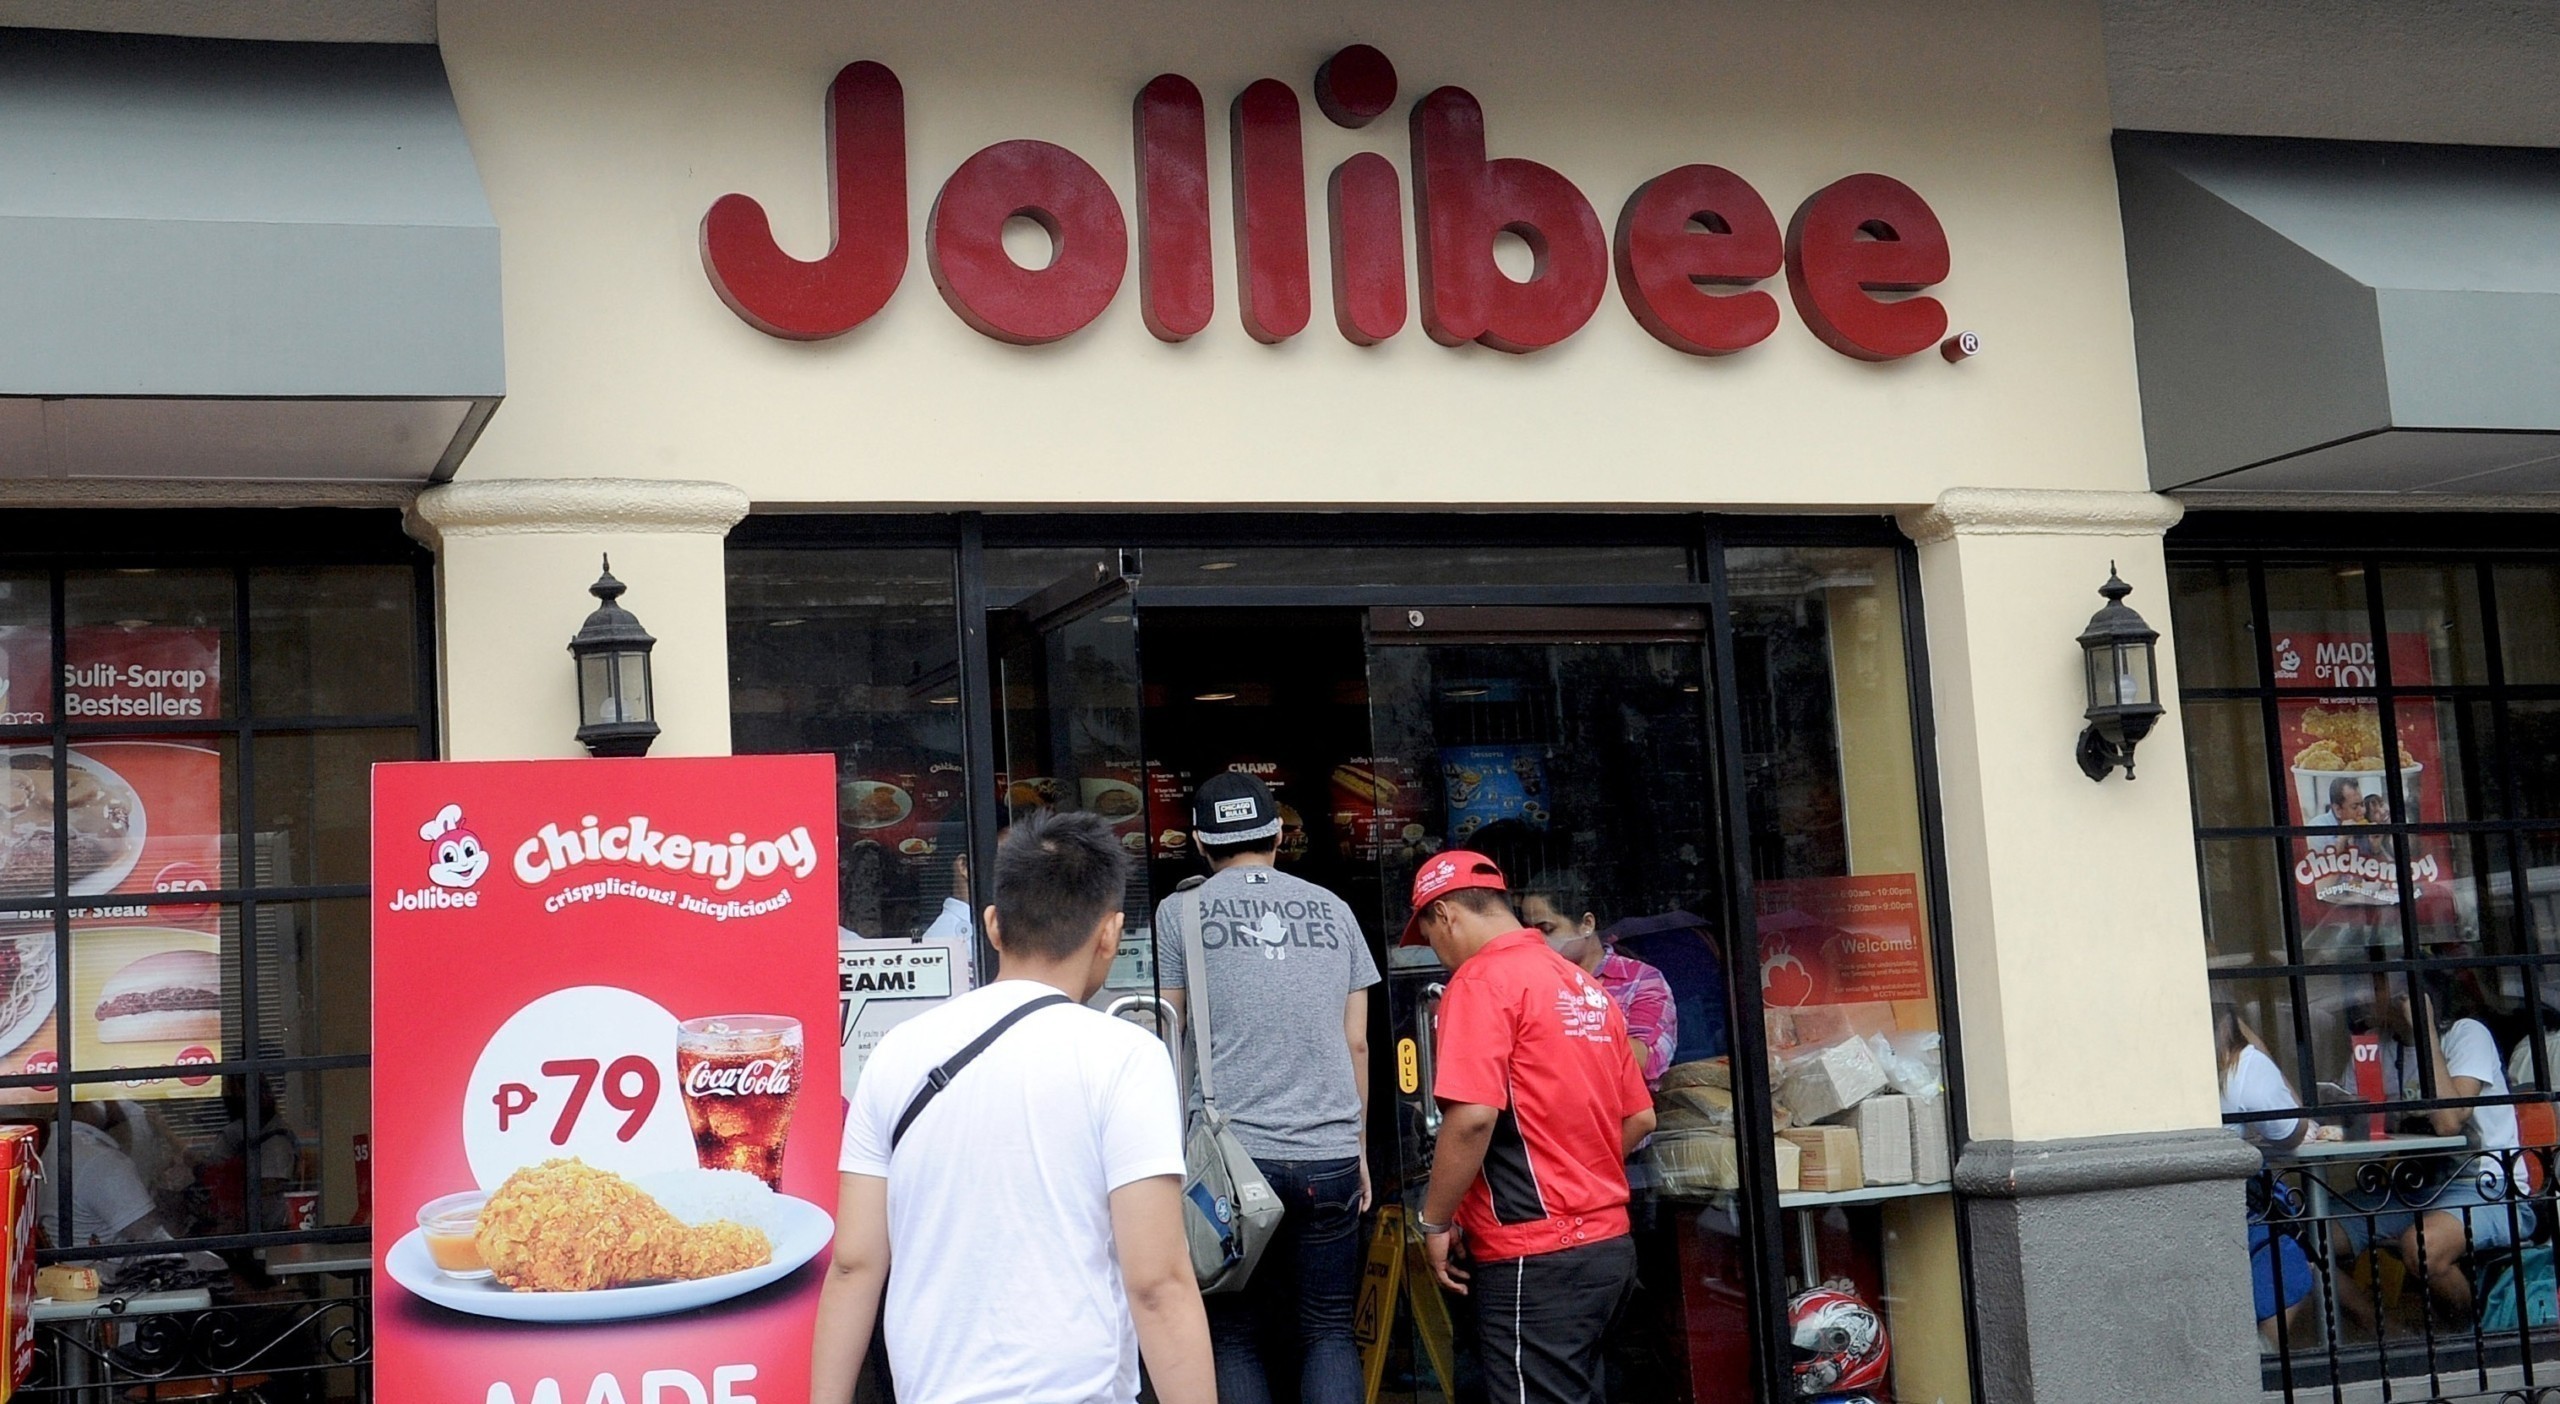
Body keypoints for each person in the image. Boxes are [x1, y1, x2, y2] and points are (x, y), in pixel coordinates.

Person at [813, 811, 1213, 1404]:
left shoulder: (896, 1053)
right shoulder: (1127, 1055)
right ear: (1110, 934)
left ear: (993, 925)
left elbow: (853, 1265)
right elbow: (1157, 1284)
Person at [1152, 771, 1378, 1404]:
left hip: (1230, 1162)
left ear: (1200, 842)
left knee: (1232, 1336)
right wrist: (1358, 1148)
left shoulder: (1179, 912)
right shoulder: (1334, 909)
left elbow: (1168, 1032)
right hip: (1329, 1153)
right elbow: (1357, 1043)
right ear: (1280, 834)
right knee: (1328, 1330)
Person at [1405, 851, 1656, 1404]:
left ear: (1444, 915)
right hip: (1608, 1249)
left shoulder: (1480, 981)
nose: (1436, 951)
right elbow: (1639, 1116)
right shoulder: (1582, 985)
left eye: (1428, 936)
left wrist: (1435, 1220)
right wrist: (1574, 1175)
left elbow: (1472, 1118)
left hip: (1533, 1256)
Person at [2330, 977, 2533, 1325]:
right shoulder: (2374, 1047)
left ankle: (2472, 1337)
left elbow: (2449, 1121)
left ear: (2407, 997)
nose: (2362, 995)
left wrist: (2423, 1032)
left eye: (2376, 987)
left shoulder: (2466, 1035)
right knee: (2301, 1239)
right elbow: (2348, 1119)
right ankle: (2384, 1331)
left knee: (2423, 1247)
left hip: (2486, 1187)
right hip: (2411, 1187)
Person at [2215, 1005, 2313, 1344]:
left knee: (2304, 1248)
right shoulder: (2242, 1065)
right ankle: (2263, 1356)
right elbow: (2292, 1130)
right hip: (2240, 1208)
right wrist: (2256, 1046)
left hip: (2194, 1204)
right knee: (2290, 1262)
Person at [1521, 879, 1678, 1087]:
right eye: (1529, 932)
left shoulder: (1640, 980)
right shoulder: (1530, 979)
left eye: (1547, 929)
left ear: (1587, 924)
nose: (1537, 940)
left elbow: (1645, 1061)